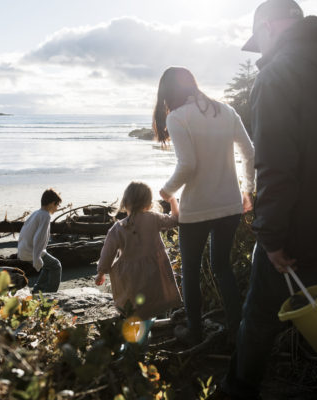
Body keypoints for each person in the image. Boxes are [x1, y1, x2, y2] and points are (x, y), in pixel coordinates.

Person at [221, 1, 317, 399]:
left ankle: (238, 391)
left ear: (266, 27)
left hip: (299, 235)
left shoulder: (278, 74)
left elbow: (277, 166)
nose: (260, 53)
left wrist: (271, 237)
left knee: (260, 319)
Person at [153, 67, 255, 346]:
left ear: (167, 93)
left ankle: (195, 332)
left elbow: (188, 165)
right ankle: (238, 331)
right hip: (230, 205)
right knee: (222, 267)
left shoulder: (177, 117)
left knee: (191, 271)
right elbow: (250, 152)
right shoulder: (226, 110)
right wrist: (248, 191)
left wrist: (166, 191)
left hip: (197, 209)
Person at [95, 181, 182, 324]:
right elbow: (175, 220)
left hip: (131, 275)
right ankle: (157, 324)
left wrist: (101, 272)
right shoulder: (154, 218)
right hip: (154, 270)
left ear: (125, 202)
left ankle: (138, 328)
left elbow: (108, 252)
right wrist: (172, 200)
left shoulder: (119, 227)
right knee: (156, 300)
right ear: (148, 203)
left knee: (134, 305)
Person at [18, 189, 63, 294]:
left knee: (48, 266)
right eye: (57, 205)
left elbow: (23, 231)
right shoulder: (45, 216)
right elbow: (38, 237)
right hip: (31, 251)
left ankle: (37, 290)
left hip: (24, 249)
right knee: (56, 266)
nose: (57, 208)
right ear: (52, 203)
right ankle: (50, 294)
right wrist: (37, 257)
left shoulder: (37, 213)